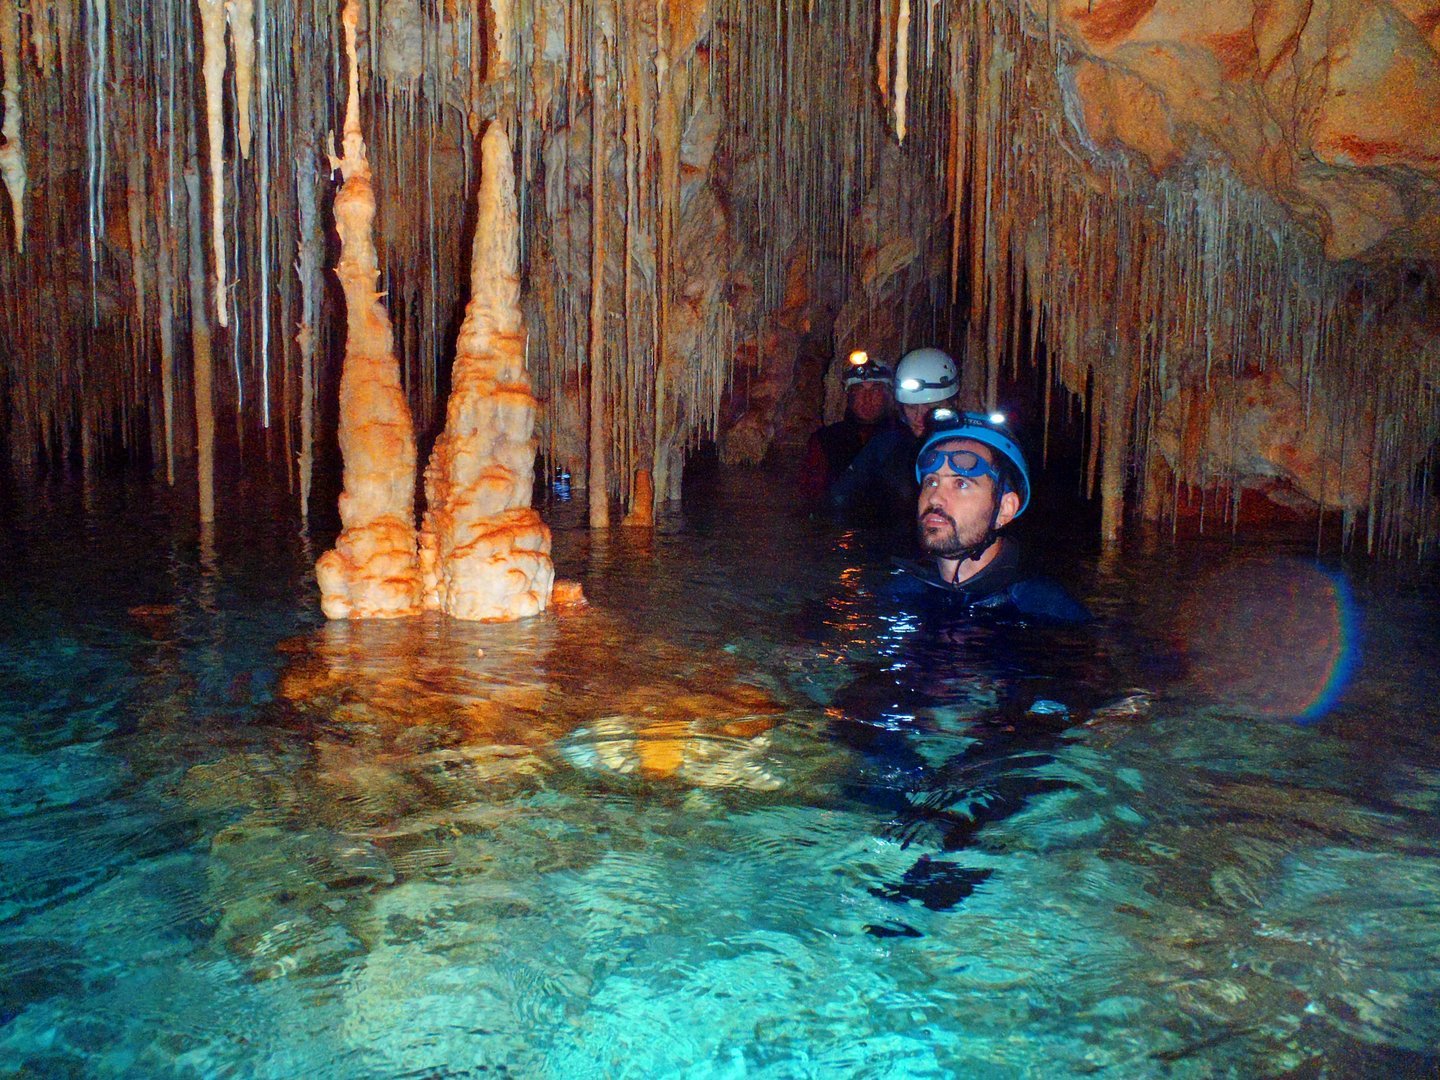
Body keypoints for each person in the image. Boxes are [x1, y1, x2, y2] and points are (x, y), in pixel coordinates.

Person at [896, 408, 1091, 623]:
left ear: (1004, 509)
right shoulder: (901, 593)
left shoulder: (1046, 610)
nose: (935, 498)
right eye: (931, 482)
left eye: (961, 484)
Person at [827, 346, 962, 524]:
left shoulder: (971, 447)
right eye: (911, 407)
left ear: (950, 404)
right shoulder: (886, 446)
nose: (919, 416)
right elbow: (840, 496)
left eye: (930, 407)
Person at [800, 353, 897, 502]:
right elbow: (811, 495)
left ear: (889, 395)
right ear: (849, 396)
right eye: (859, 390)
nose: (867, 399)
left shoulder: (905, 439)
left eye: (876, 390)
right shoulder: (826, 441)